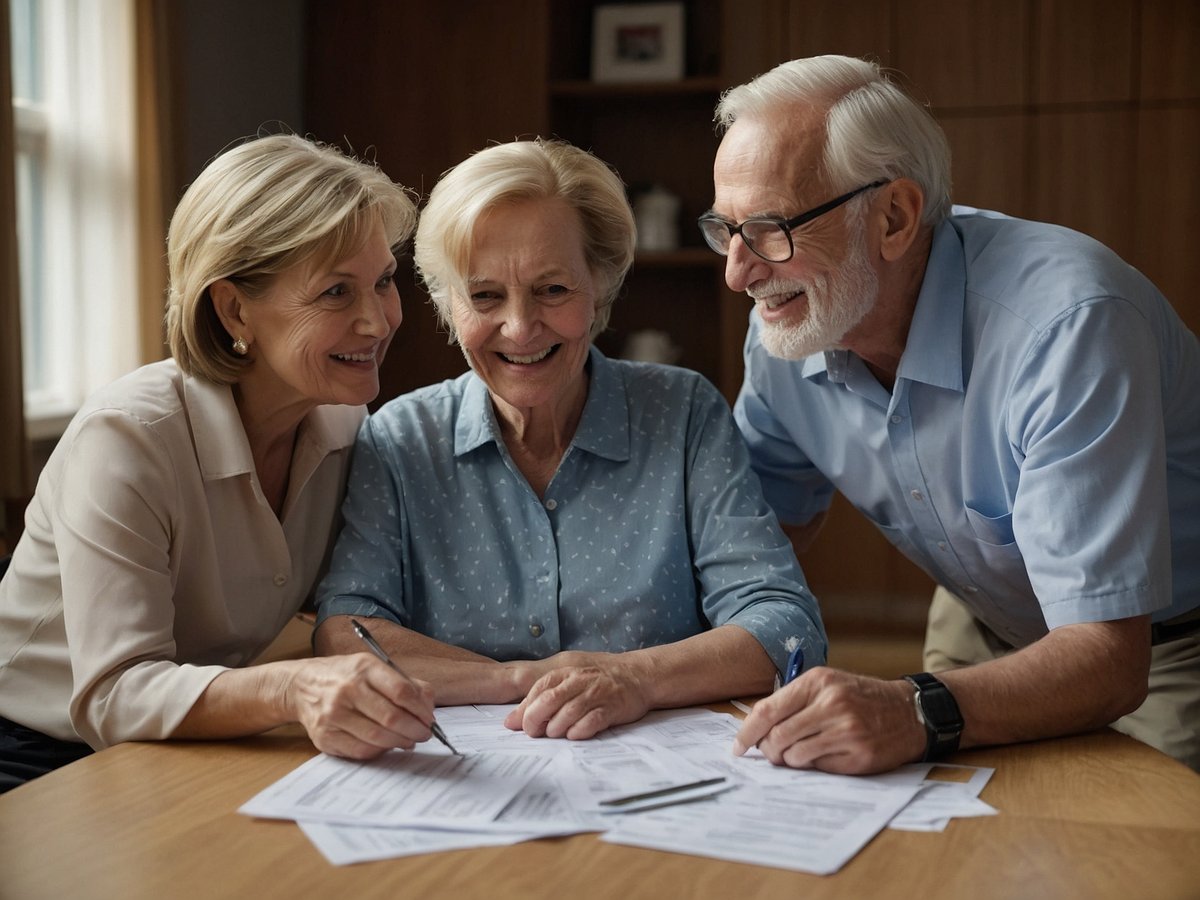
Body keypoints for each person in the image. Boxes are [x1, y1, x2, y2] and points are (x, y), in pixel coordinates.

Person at [695, 55, 1200, 774]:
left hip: (1164, 645)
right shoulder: (790, 327)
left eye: (772, 230)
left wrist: (911, 708)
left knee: (1126, 858)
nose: (738, 274)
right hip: (983, 613)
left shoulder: (1067, 328)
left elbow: (1106, 659)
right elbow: (757, 529)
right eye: (726, 229)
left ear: (894, 216)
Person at [313, 138, 827, 740]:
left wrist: (634, 679)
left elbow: (785, 625)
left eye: (552, 290)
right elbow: (346, 631)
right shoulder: (399, 438)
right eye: (484, 295)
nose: (520, 327)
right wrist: (517, 680)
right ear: (448, 303)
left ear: (601, 284)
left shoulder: (682, 414)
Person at [0, 134, 439, 792]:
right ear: (234, 308)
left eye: (382, 282)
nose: (377, 321)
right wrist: (294, 687)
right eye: (336, 294)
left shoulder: (346, 424)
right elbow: (115, 696)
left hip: (193, 735)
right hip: (39, 753)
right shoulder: (127, 437)